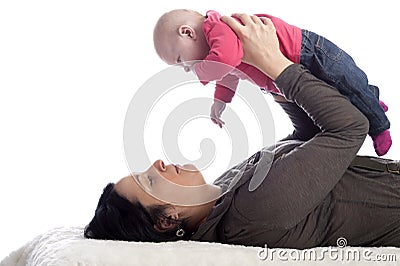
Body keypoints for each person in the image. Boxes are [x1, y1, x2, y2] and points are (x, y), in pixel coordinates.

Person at [84, 14, 400, 248]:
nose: (157, 163)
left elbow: (307, 141)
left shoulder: (224, 190)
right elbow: (348, 130)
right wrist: (274, 63)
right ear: (168, 219)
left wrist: (268, 78)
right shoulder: (250, 212)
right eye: (150, 180)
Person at [153, 9, 392, 156]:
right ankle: (369, 99)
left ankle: (379, 125)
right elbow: (228, 74)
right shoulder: (217, 48)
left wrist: (200, 72)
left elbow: (224, 61)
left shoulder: (216, 28)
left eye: (180, 60)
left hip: (307, 51)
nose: (187, 68)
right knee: (337, 92)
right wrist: (220, 101)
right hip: (295, 69)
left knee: (348, 81)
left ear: (187, 32)